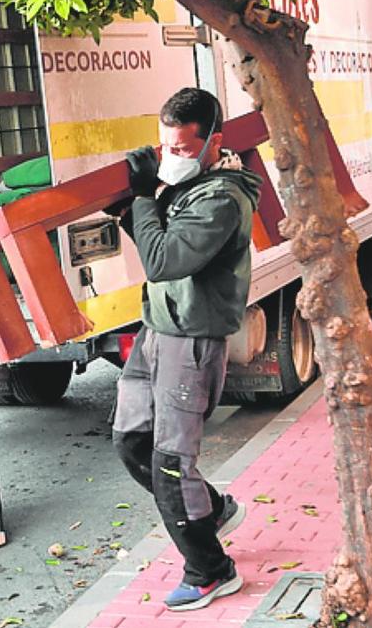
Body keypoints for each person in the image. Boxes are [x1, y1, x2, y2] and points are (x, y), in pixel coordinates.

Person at [107, 87, 262, 612]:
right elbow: (154, 240)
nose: (170, 156)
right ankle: (212, 510)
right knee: (132, 442)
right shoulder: (190, 187)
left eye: (180, 148)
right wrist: (129, 211)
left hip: (192, 342)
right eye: (164, 146)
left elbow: (164, 261)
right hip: (157, 332)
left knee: (171, 464)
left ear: (212, 142)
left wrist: (145, 197)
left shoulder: (221, 197)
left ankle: (210, 570)